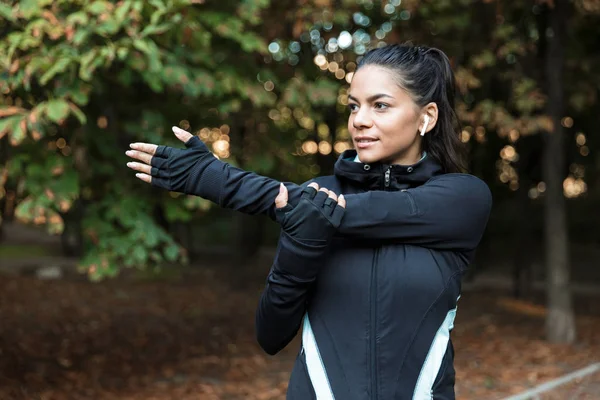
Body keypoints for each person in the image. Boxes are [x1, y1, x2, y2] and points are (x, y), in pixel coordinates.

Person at [126, 43, 492, 399]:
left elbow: (371, 210)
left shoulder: (461, 199)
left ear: (426, 117)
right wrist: (302, 243)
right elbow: (270, 335)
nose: (360, 120)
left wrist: (220, 182)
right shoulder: (315, 195)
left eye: (380, 105)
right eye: (353, 107)